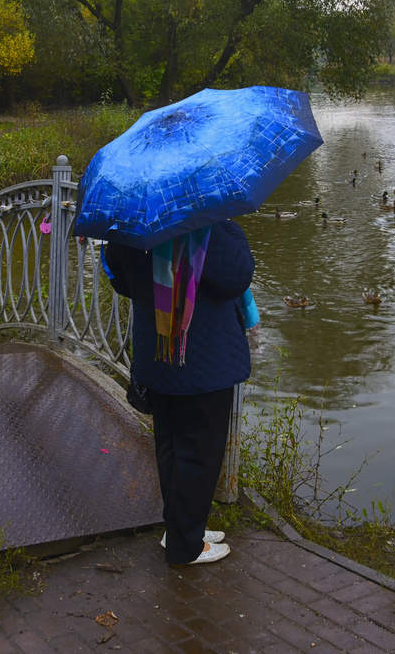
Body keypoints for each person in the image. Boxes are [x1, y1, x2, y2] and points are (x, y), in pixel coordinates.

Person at [103, 220, 255, 565]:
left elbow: (120, 280)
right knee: (199, 453)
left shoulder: (133, 225)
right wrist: (227, 227)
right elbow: (237, 274)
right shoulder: (205, 225)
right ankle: (186, 546)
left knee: (171, 446)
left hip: (157, 352)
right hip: (203, 360)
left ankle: (179, 528)